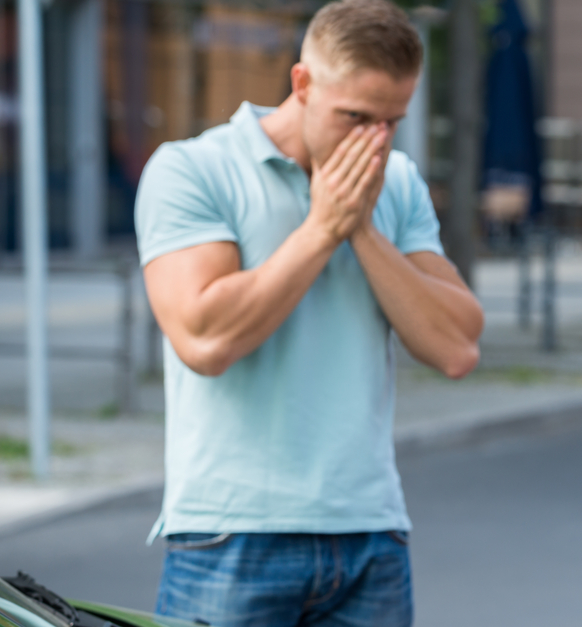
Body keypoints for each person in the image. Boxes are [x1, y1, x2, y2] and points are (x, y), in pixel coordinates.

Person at [135, 1, 484, 625]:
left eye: (391, 121)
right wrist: (323, 229)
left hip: (369, 529)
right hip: (230, 533)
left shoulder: (395, 181)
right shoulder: (193, 169)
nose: (373, 141)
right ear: (301, 84)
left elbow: (457, 345)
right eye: (355, 117)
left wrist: (362, 231)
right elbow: (204, 340)